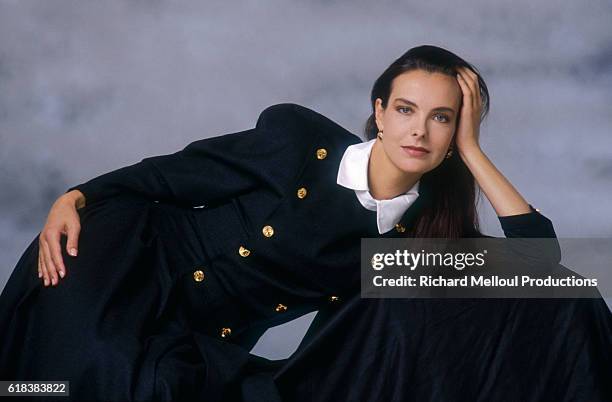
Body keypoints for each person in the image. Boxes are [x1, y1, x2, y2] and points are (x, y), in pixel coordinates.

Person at [1, 45, 610, 401]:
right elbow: (172, 176)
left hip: (196, 338)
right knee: (63, 379)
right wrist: (74, 197)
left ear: (457, 131)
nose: (418, 130)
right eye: (404, 110)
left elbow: (538, 266)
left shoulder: (411, 239)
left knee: (159, 387)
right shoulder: (298, 138)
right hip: (124, 263)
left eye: (442, 118)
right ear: (379, 111)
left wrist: (475, 152)